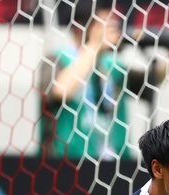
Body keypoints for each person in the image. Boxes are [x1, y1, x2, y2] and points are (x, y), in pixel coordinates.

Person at [38, 0, 156, 160]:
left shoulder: (112, 65)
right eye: (103, 26)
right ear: (80, 27)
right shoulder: (56, 59)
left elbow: (152, 82)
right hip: (68, 162)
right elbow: (60, 91)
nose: (110, 31)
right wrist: (94, 45)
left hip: (115, 163)